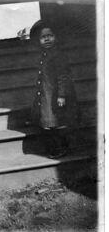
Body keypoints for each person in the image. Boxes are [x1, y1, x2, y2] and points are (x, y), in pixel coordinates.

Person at [29, 20, 78, 158]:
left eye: (50, 35)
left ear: (56, 37)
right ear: (38, 41)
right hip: (47, 94)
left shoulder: (58, 55)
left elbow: (63, 77)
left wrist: (61, 95)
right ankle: (55, 147)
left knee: (58, 122)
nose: (47, 39)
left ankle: (61, 147)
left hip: (57, 95)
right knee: (48, 122)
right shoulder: (43, 55)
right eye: (43, 37)